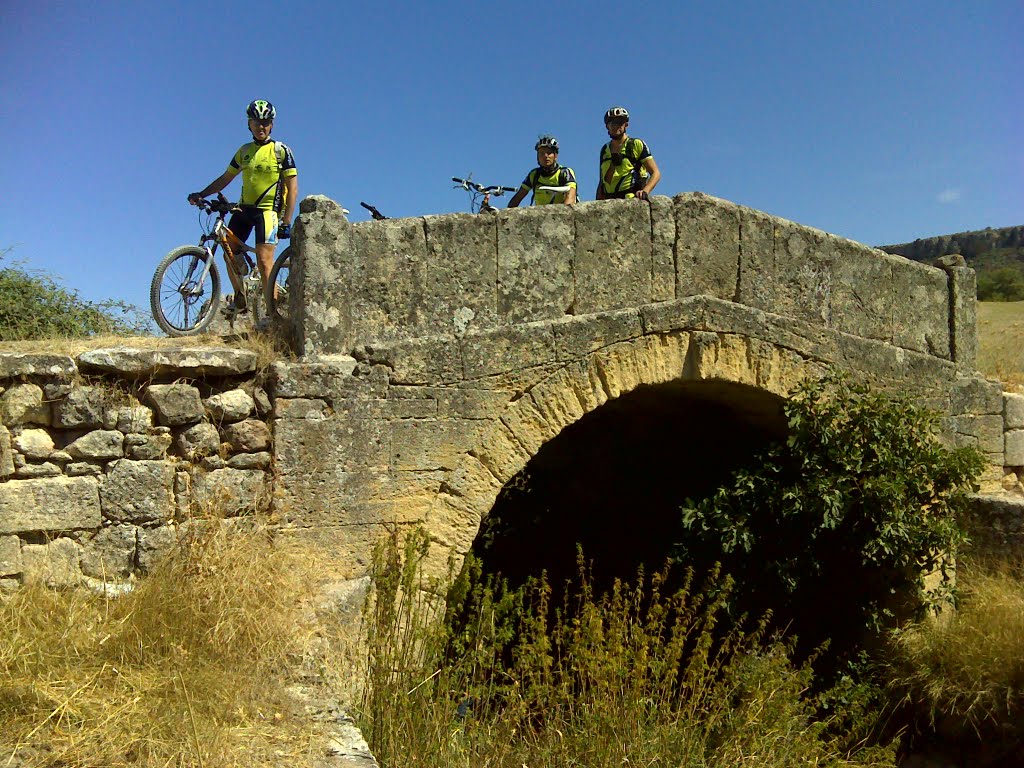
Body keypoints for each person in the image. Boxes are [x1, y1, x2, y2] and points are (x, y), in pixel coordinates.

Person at [188, 99, 298, 314]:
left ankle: (272, 314)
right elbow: (225, 178)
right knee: (228, 252)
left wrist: (286, 221)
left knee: (265, 262)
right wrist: (201, 193)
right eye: (257, 122)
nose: (261, 127)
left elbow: (292, 189)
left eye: (266, 122)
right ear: (249, 124)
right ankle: (241, 297)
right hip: (243, 210)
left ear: (272, 125)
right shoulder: (244, 151)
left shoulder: (281, 151)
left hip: (267, 212)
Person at [595, 106, 661, 201]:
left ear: (626, 125)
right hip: (609, 202)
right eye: (612, 123)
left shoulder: (636, 144)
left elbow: (655, 173)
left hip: (631, 200)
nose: (615, 126)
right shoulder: (605, 150)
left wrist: (645, 191)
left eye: (619, 122)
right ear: (607, 126)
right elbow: (602, 181)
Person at [507, 135, 578, 207]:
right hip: (541, 216)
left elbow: (571, 196)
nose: (545, 156)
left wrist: (563, 215)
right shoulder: (534, 175)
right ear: (537, 157)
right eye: (541, 153)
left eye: (549, 152)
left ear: (555, 156)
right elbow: (518, 196)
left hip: (560, 215)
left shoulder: (565, 172)